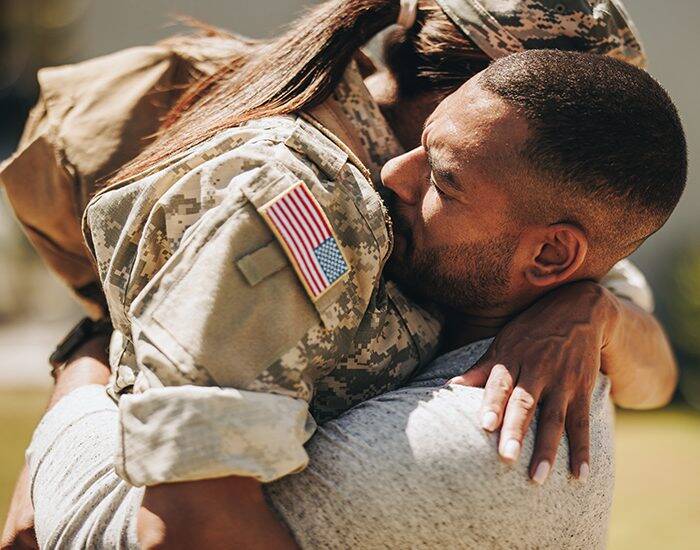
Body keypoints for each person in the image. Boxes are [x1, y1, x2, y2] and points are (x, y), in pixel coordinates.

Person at [0, 0, 677, 546]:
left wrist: (593, 312)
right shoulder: (304, 200)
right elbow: (190, 515)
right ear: (478, 95)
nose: (399, 179)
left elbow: (653, 379)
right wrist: (76, 384)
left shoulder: (493, 200)